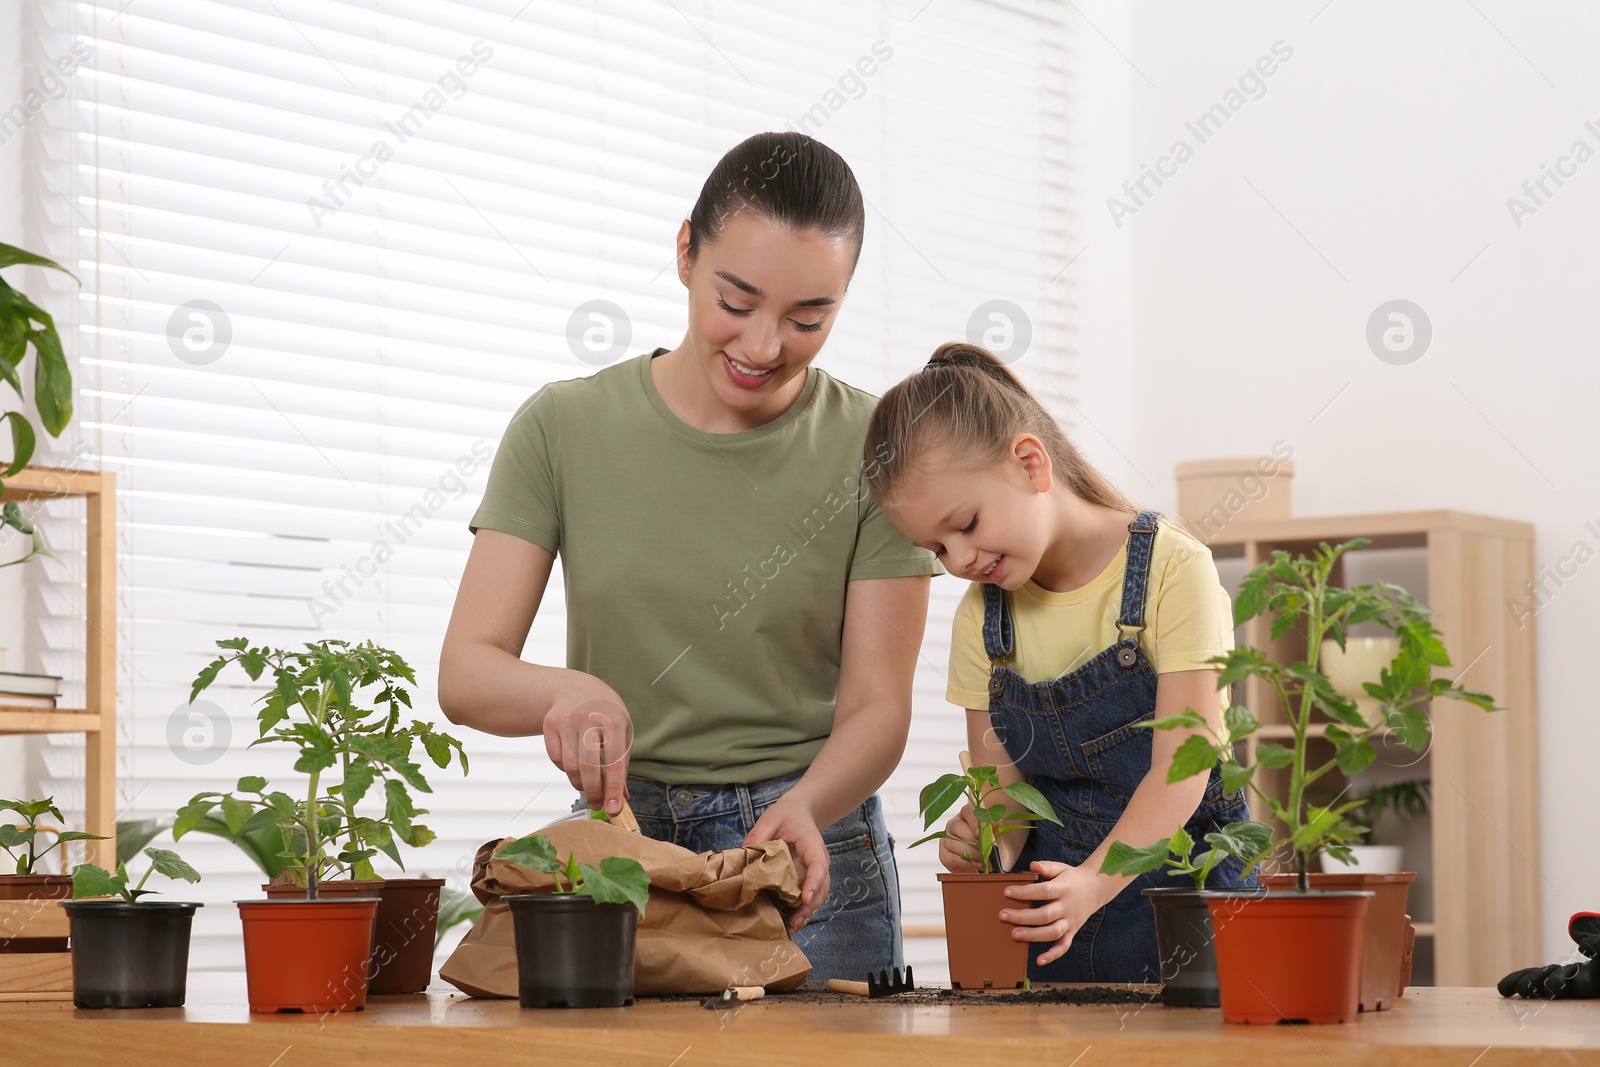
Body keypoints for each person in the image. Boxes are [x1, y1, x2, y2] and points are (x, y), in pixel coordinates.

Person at [438, 132, 940, 980]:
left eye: (807, 317)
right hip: (627, 847)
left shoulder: (877, 447)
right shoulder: (561, 428)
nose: (764, 344)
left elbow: (878, 707)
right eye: (735, 301)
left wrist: (804, 807)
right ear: (684, 253)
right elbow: (465, 671)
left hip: (808, 854)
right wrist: (568, 688)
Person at [862, 341, 1256, 983]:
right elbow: (1007, 795)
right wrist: (991, 842)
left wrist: (1095, 883)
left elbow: (1183, 771)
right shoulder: (981, 620)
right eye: (935, 547)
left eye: (965, 524)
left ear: (1029, 463)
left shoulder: (1171, 569)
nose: (958, 558)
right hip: (1053, 922)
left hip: (1188, 905)